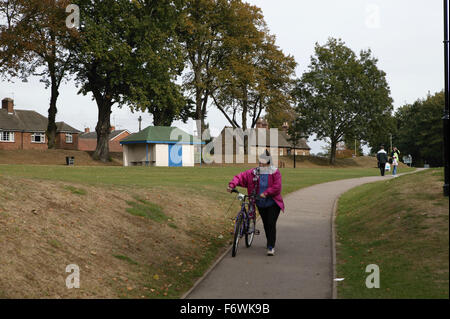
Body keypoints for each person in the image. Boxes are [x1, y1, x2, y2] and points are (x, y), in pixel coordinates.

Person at [227, 150, 284, 256]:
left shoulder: (275, 172)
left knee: (271, 223)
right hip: (260, 203)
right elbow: (240, 177)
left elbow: (277, 187)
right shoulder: (254, 172)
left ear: (268, 163)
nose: (261, 165)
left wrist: (266, 193)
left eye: (263, 163)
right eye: (260, 162)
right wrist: (232, 185)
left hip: (273, 203)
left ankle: (271, 246)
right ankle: (269, 241)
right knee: (266, 223)